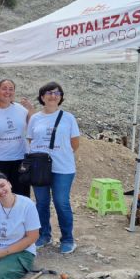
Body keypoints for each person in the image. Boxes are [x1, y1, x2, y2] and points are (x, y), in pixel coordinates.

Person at [27, 82, 80, 254]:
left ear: (61, 97)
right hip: (40, 168)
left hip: (62, 167)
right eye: (49, 92)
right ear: (42, 97)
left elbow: (75, 143)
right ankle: (44, 235)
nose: (53, 95)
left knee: (61, 202)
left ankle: (68, 239)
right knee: (41, 203)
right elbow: (30, 140)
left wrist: (58, 153)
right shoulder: (35, 118)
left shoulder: (68, 117)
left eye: (57, 93)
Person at [0, 79, 34, 197]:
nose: (7, 92)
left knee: (21, 196)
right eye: (4, 88)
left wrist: (31, 110)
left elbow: (32, 127)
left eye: (11, 89)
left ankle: (20, 216)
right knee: (0, 195)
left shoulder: (21, 109)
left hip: (20, 160)